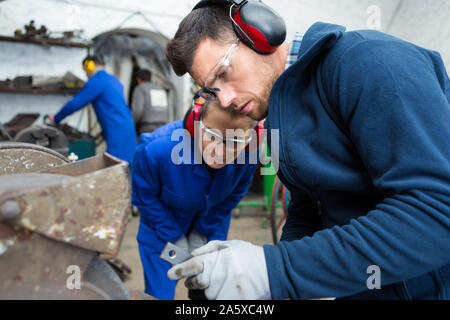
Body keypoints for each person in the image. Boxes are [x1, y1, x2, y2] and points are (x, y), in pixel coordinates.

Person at [164, 1, 450, 300]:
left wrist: (276, 269)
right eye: (211, 90)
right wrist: (261, 278)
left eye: (223, 74)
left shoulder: (368, 62)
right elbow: (308, 210)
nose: (223, 101)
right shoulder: (278, 118)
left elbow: (438, 210)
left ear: (260, 33)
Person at [132, 94, 261, 300]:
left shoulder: (250, 152)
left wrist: (203, 231)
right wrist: (173, 234)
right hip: (161, 226)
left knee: (212, 291)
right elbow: (144, 197)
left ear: (250, 137)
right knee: (159, 294)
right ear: (197, 123)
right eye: (211, 136)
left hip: (212, 224)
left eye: (234, 141)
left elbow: (233, 195)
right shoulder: (157, 149)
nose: (219, 151)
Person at [49, 55, 137, 164]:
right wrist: (104, 131)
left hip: (117, 130)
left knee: (117, 165)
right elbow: (113, 107)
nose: (86, 74)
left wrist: (56, 118)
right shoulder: (113, 79)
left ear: (90, 66)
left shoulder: (98, 80)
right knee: (126, 164)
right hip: (126, 127)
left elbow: (75, 104)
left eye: (85, 70)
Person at [131, 69, 170, 136]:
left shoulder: (140, 88)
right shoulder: (161, 89)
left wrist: (131, 123)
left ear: (138, 79)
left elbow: (138, 110)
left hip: (147, 127)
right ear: (150, 78)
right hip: (162, 126)